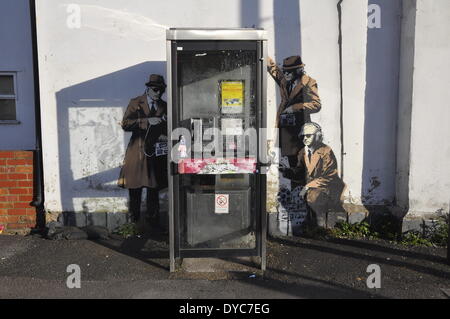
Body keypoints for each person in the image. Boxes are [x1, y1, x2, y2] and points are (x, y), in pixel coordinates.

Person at [118, 74, 168, 225]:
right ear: (148, 89)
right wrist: (146, 121)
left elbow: (166, 127)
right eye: (155, 89)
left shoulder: (163, 105)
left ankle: (153, 221)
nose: (158, 93)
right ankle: (134, 221)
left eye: (161, 90)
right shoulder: (136, 102)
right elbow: (125, 124)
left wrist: (164, 133)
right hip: (137, 150)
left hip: (154, 151)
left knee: (153, 188)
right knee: (135, 187)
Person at [281, 122, 345, 227]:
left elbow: (329, 176)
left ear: (318, 136)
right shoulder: (303, 152)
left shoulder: (326, 151)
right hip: (311, 189)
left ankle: (324, 225)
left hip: (327, 188)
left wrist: (307, 186)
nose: (305, 138)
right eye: (303, 136)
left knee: (313, 197)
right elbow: (301, 171)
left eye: (308, 135)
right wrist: (287, 171)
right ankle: (312, 226)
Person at [267, 55, 322, 168]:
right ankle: (295, 185)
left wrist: (295, 107)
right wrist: (262, 52)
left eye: (289, 72)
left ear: (297, 71)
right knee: (291, 162)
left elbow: (316, 105)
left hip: (300, 128)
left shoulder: (309, 82)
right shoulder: (284, 81)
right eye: (285, 71)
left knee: (301, 162)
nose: (286, 74)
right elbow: (273, 69)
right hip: (285, 128)